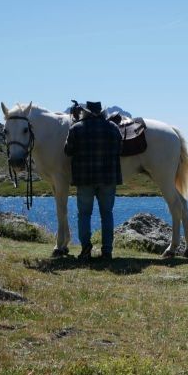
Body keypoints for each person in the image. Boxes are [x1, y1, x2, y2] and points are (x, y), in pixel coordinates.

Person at [64, 101, 122, 260]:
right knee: (107, 215)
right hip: (108, 179)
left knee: (84, 215)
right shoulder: (113, 128)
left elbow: (67, 151)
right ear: (102, 112)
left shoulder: (76, 128)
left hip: (84, 179)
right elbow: (120, 149)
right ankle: (107, 251)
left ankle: (85, 250)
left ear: (85, 112)